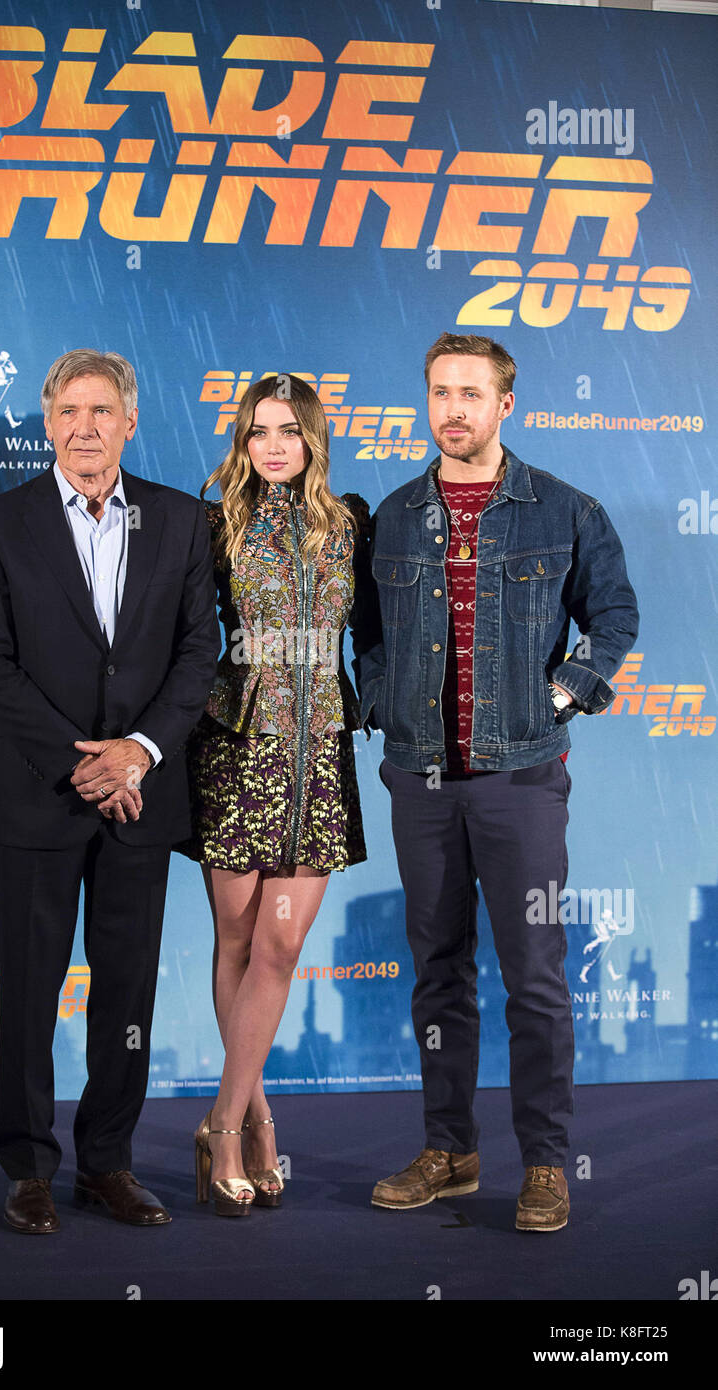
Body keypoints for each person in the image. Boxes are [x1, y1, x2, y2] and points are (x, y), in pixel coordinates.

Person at [354, 332, 638, 1232]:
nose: (454, 410)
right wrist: (385, 704)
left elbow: (616, 615)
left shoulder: (565, 509)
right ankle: (452, 1150)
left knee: (536, 977)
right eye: (440, 392)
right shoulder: (394, 515)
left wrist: (565, 691)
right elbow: (367, 632)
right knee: (437, 973)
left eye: (472, 394)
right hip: (423, 781)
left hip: (521, 778)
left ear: (505, 405)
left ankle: (546, 1165)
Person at [0, 349, 220, 1233]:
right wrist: (84, 764)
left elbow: (198, 654)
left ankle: (106, 1162)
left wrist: (138, 753)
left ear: (130, 421)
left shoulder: (183, 522)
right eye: (69, 411)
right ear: (46, 423)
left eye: (101, 411)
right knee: (30, 991)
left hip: (140, 799)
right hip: (43, 796)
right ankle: (29, 1167)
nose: (85, 428)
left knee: (128, 994)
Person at [179, 373, 369, 1216]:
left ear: (315, 437)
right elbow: (184, 635)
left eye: (289, 430)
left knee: (281, 949)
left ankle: (221, 1118)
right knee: (236, 940)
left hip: (320, 754)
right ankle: (255, 1121)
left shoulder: (351, 522)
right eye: (259, 432)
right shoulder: (214, 521)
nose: (274, 445)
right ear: (243, 442)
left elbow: (384, 631)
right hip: (237, 748)